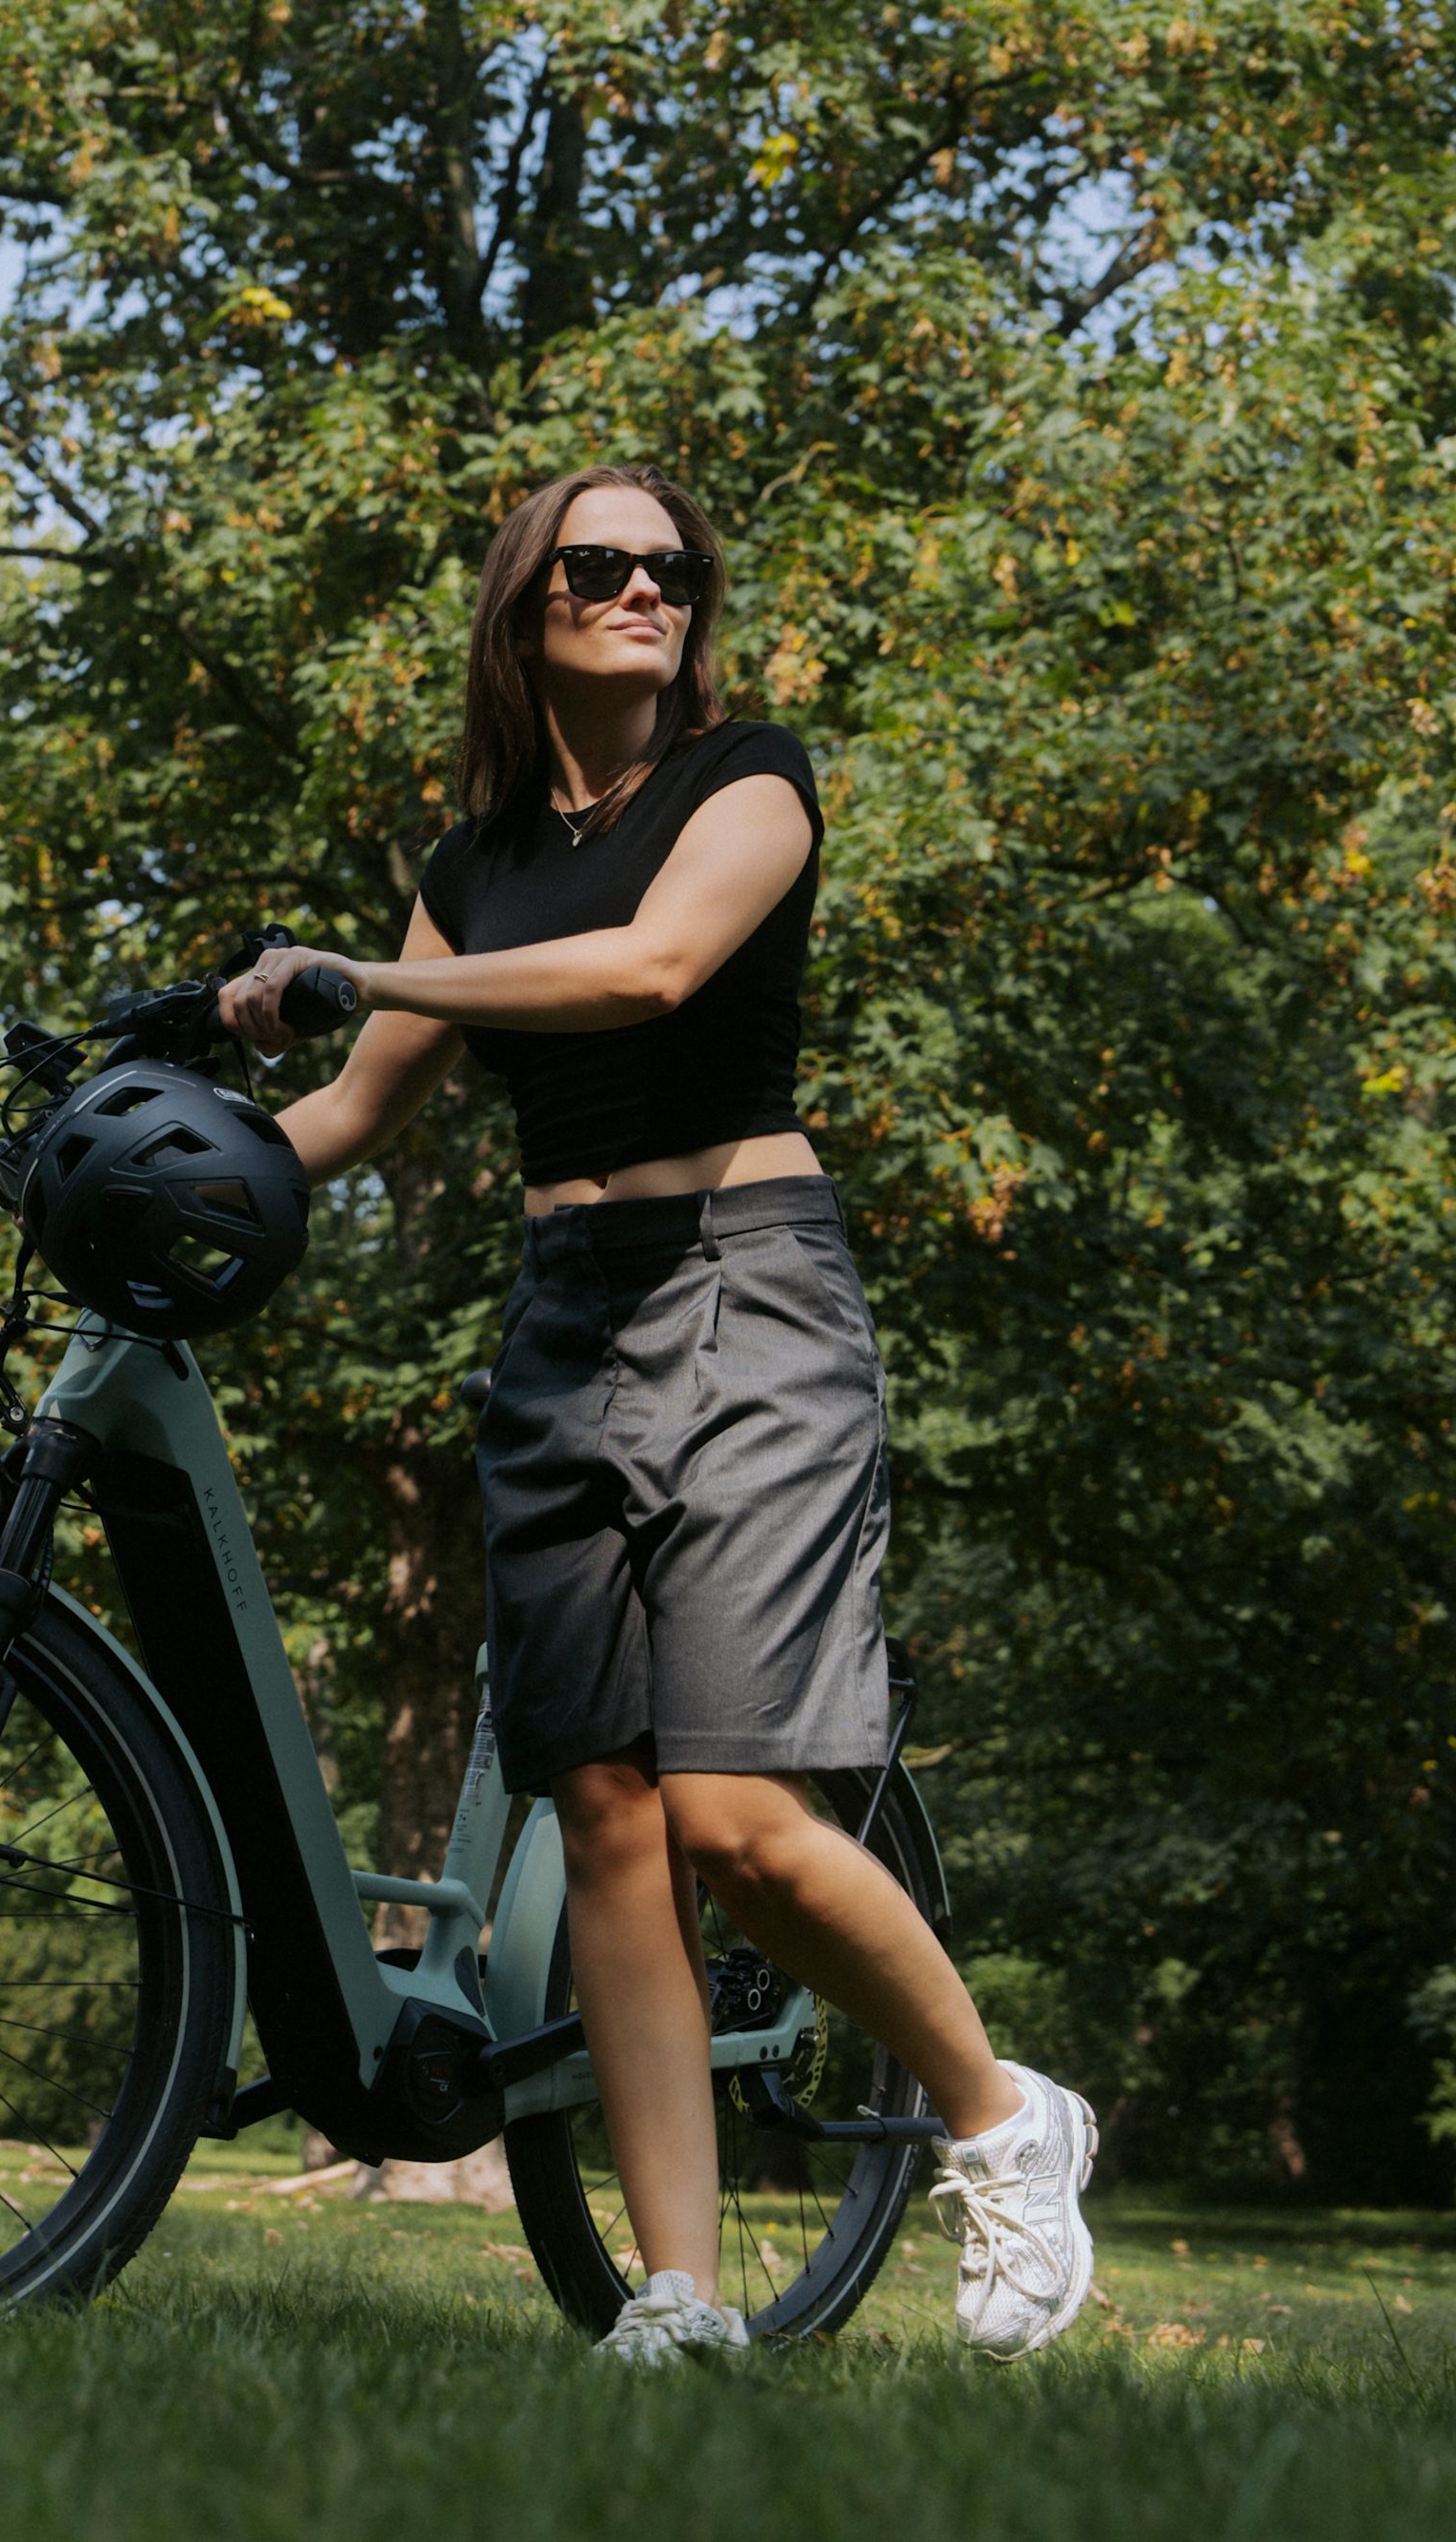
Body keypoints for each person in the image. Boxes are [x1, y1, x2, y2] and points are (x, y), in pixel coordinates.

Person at [215, 463, 1096, 2367]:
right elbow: (352, 1115)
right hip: (559, 1312)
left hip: (745, 1283)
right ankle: (676, 2294)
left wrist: (356, 969)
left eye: (668, 567)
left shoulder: (745, 779)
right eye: (596, 564)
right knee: (604, 1811)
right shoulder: (469, 869)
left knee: (730, 1813)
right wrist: (157, 1150)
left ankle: (1003, 2113)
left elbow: (649, 970)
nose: (641, 588)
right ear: (519, 602)